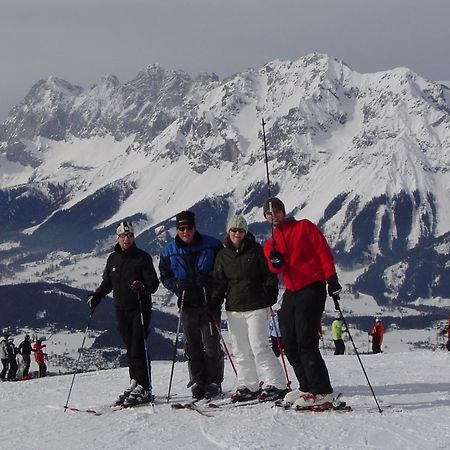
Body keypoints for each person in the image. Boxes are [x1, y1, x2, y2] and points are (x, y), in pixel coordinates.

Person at [262, 197, 342, 408]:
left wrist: (331, 279)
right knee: (288, 342)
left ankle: (322, 390)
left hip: (312, 286)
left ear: (283, 211)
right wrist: (275, 263)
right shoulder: (271, 243)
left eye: (278, 211)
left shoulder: (303, 227)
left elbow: (322, 251)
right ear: (266, 217)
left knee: (306, 340)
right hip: (292, 290)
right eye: (271, 213)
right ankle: (306, 386)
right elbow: (273, 269)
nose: (275, 215)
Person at [210, 215, 288, 402]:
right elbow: (219, 283)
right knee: (240, 349)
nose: (237, 233)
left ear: (245, 232)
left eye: (241, 230)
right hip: (234, 308)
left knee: (259, 345)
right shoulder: (223, 255)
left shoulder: (255, 251)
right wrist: (214, 302)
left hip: (256, 306)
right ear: (228, 232)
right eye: (234, 230)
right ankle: (248, 384)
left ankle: (276, 383)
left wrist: (270, 291)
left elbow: (269, 274)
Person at [88, 221, 159, 406]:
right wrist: (97, 297)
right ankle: (134, 381)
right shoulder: (113, 259)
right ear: (117, 238)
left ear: (134, 237)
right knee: (129, 348)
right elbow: (107, 283)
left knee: (137, 347)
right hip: (121, 309)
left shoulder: (142, 258)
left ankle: (144, 386)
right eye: (123, 236)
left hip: (139, 309)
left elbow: (153, 285)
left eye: (129, 236)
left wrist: (142, 287)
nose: (126, 239)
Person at [159, 210, 223, 400]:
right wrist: (176, 285)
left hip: (209, 303)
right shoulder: (168, 251)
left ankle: (213, 382)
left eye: (189, 228)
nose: (186, 232)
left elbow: (222, 271)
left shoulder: (212, 245)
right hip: (187, 304)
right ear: (177, 230)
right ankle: (197, 381)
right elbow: (165, 277)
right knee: (193, 346)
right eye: (182, 228)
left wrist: (210, 280)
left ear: (195, 228)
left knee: (211, 345)